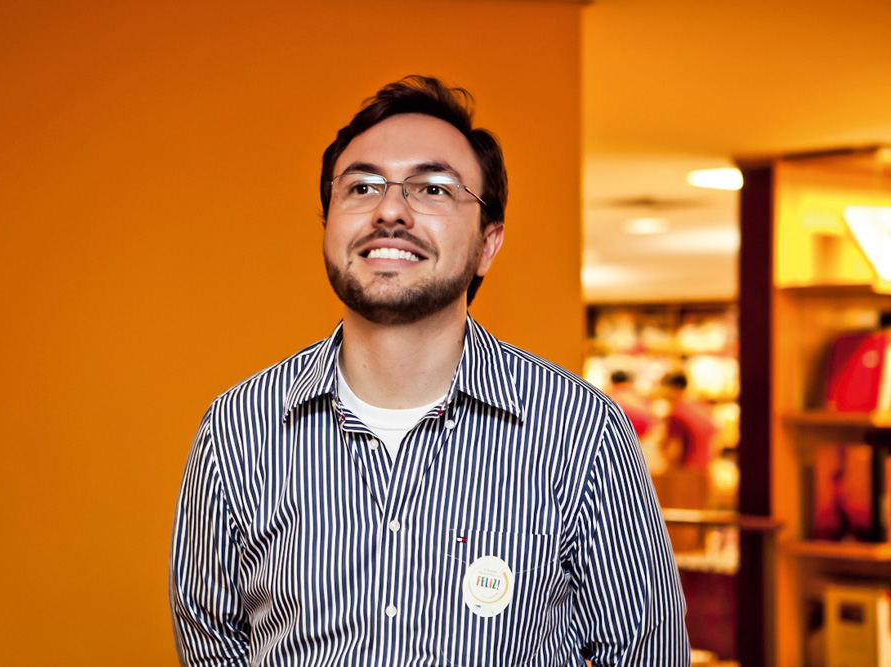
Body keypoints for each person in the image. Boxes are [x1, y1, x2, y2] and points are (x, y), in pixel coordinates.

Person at [169, 76, 690, 666]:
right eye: (361, 186)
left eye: (433, 189)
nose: (390, 209)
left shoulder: (581, 432)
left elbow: (650, 654)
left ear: (487, 244)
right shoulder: (238, 429)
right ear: (327, 228)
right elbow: (212, 645)